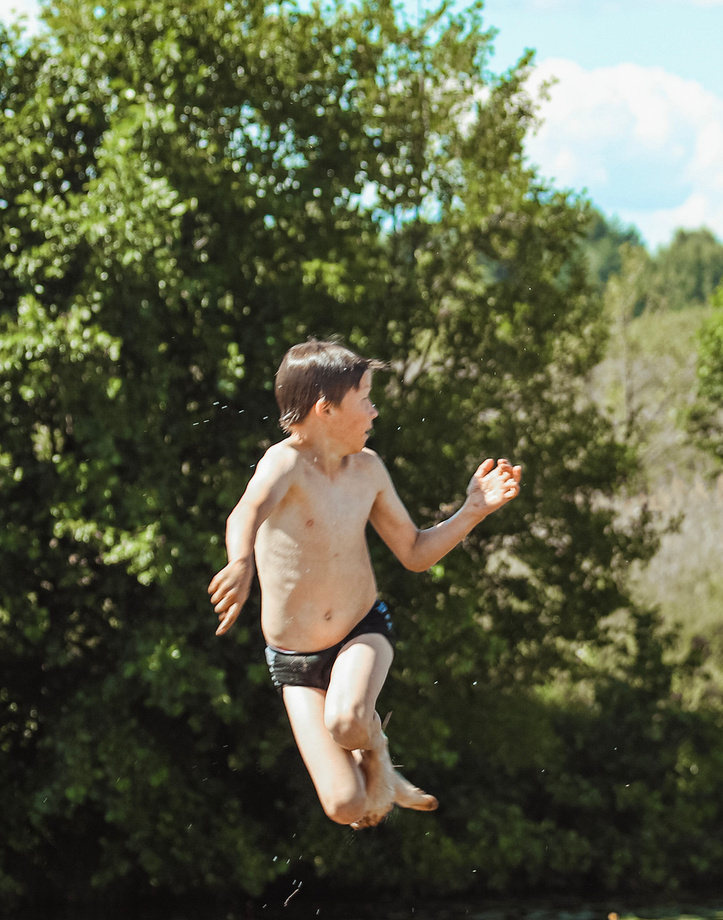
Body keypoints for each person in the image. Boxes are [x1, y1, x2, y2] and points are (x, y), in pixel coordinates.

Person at [207, 340, 522, 827]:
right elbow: (245, 511)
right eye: (366, 399)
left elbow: (415, 552)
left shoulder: (368, 470)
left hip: (361, 631)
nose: (375, 412)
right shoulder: (284, 463)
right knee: (346, 807)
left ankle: (375, 748)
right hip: (295, 661)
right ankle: (380, 767)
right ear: (325, 408)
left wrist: (473, 510)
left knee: (348, 718)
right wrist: (240, 561)